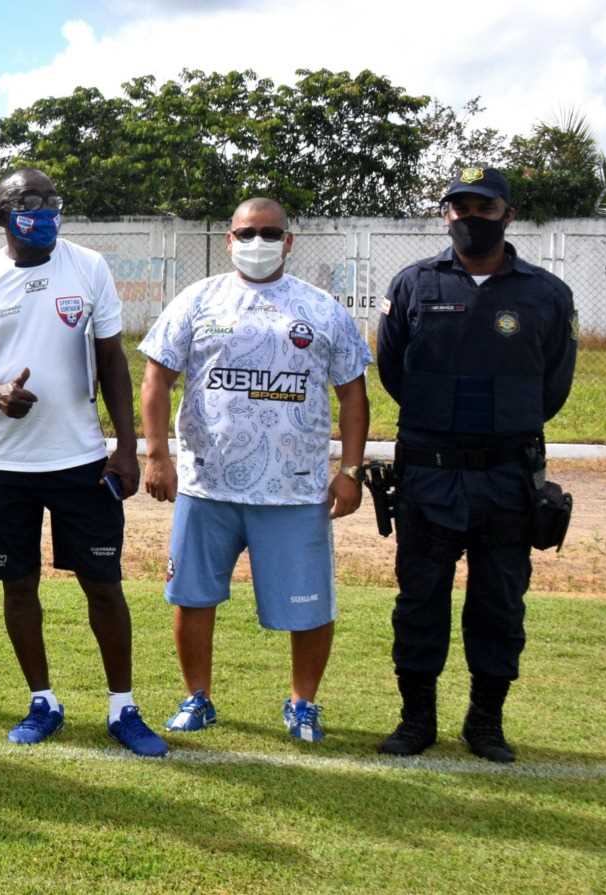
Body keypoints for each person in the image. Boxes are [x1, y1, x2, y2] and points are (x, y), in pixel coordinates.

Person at [0, 167, 167, 756]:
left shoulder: (88, 266)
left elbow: (113, 360)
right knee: (18, 589)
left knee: (104, 586)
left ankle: (123, 707)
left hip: (82, 462)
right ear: (1, 217)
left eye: (50, 200)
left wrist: (127, 447)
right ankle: (43, 701)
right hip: (3, 468)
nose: (43, 210)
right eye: (27, 202)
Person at [139, 198, 371, 743]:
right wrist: (157, 455)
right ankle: (197, 698)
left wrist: (351, 470)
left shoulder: (321, 309)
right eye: (246, 233)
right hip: (207, 485)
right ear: (229, 239)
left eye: (269, 233)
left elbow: (353, 395)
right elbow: (156, 379)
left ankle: (303, 703)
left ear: (289, 241)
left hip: (294, 490)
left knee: (309, 605)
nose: (257, 243)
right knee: (192, 596)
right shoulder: (198, 300)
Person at [375, 167, 577, 763]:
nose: (470, 219)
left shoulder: (546, 294)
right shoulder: (413, 284)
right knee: (420, 600)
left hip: (507, 478)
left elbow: (553, 387)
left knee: (500, 604)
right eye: (459, 208)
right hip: (429, 474)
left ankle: (485, 722)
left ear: (507, 214)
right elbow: (393, 372)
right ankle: (417, 719)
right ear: (446, 215)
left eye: (484, 208)